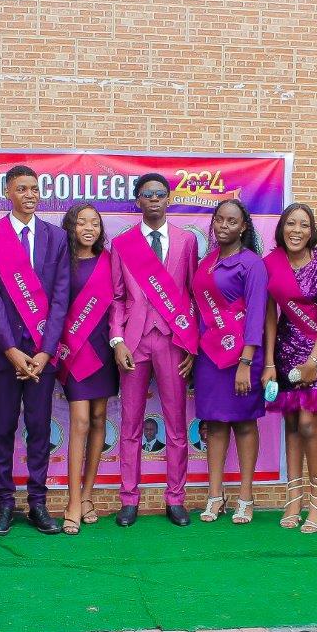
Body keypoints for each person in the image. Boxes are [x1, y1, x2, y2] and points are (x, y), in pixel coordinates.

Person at [0, 165, 69, 535]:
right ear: (7, 192)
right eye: (22, 189)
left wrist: (46, 351)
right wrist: (11, 350)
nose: (30, 195)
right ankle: (4, 502)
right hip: (5, 354)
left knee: (39, 428)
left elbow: (60, 297)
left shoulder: (56, 237)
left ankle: (37, 503)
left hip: (43, 354)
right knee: (2, 429)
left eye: (34, 189)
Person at [109, 173, 198, 527]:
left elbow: (192, 295)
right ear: (138, 201)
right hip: (133, 343)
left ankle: (175, 499)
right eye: (148, 194)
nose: (155, 199)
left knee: (176, 426)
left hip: (172, 341)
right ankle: (129, 499)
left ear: (169, 198)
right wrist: (117, 340)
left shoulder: (187, 241)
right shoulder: (122, 243)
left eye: (161, 193)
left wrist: (191, 343)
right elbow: (117, 298)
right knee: (130, 425)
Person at [261, 203, 317, 533]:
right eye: (291, 223)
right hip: (284, 351)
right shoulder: (271, 263)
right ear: (282, 228)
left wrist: (315, 361)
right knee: (291, 423)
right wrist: (268, 362)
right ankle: (294, 498)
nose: (297, 230)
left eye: (304, 225)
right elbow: (269, 317)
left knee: (308, 423)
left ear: (311, 231)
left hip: (313, 352)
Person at [192, 200, 269, 524]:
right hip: (210, 356)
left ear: (243, 227)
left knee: (245, 423)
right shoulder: (207, 262)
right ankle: (215, 496)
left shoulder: (252, 264)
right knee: (215, 424)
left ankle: (246, 497)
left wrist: (246, 362)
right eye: (220, 220)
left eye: (232, 221)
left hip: (242, 357)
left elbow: (256, 315)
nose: (224, 226)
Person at [56, 202, 118, 534]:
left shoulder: (110, 260)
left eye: (94, 222)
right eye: (82, 222)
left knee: (98, 419)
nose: (89, 228)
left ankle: (88, 495)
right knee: (80, 421)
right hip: (74, 348)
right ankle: (72, 502)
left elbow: (118, 303)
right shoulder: (61, 261)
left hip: (103, 347)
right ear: (71, 227)